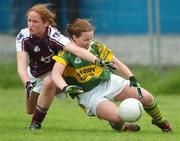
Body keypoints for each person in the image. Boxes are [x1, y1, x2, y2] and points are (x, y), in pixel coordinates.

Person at [52, 18, 172, 132]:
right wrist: (65, 87)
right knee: (118, 117)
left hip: (108, 82)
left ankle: (160, 121)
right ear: (74, 37)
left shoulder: (96, 47)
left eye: (91, 38)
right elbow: (56, 74)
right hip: (90, 95)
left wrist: (132, 78)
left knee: (147, 98)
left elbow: (117, 64)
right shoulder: (66, 53)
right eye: (86, 40)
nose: (89, 43)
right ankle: (122, 127)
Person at [16, 4, 107, 130]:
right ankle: (39, 100)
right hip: (34, 74)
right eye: (29, 20)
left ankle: (35, 124)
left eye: (35, 21)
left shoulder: (54, 36)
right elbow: (21, 64)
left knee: (49, 82)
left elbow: (77, 51)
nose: (30, 24)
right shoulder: (23, 36)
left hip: (54, 73)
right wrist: (26, 82)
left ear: (46, 23)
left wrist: (98, 61)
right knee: (29, 110)